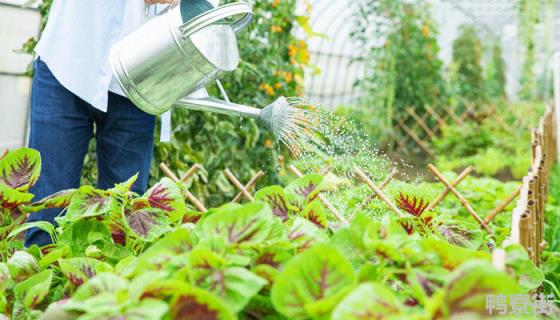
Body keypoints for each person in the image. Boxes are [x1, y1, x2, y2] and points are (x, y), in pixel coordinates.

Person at [25, 0, 174, 247]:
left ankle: (112, 287)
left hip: (138, 77)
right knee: (47, 213)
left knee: (123, 225)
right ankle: (43, 284)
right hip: (68, 59)